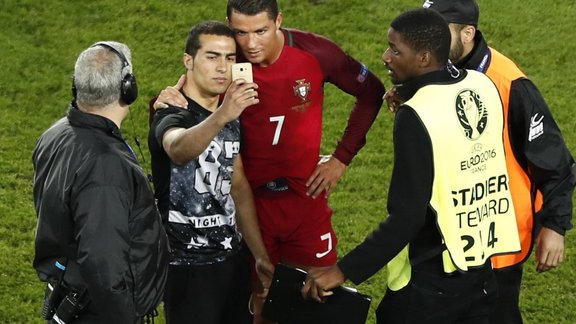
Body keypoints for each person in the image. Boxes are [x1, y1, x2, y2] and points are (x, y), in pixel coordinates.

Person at [152, 1, 386, 322]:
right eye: (240, 32)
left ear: (278, 21)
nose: (250, 44)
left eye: (260, 31)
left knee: (315, 300)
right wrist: (164, 100)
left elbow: (371, 91)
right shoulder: (226, 61)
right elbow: (188, 102)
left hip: (305, 203)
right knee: (257, 306)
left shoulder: (315, 53)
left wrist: (341, 158)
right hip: (249, 208)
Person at [302, 8, 522, 323]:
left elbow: (408, 216)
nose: (385, 57)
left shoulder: (415, 115)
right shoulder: (482, 85)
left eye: (395, 49)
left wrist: (341, 271)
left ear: (422, 58)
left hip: (431, 284)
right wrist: (410, 90)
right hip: (482, 274)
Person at [420, 1, 576, 323]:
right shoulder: (434, 69)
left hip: (499, 240)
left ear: (468, 33)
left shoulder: (509, 84)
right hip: (448, 231)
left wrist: (555, 226)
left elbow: (555, 161)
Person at [32, 41, 169, 324]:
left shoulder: (56, 134)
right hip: (99, 310)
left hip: (71, 289)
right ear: (128, 87)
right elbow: (103, 266)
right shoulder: (106, 168)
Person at [148, 21, 274, 324]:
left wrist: (259, 256)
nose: (223, 67)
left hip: (231, 259)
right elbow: (178, 148)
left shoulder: (228, 112)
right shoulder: (170, 111)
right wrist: (223, 115)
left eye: (230, 58)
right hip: (187, 267)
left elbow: (237, 184)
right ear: (188, 61)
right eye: (212, 56)